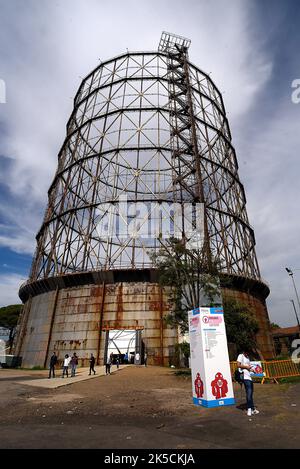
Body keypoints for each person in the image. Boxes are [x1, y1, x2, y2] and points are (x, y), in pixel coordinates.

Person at [237, 350, 259, 416]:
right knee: (249, 393)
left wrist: (252, 370)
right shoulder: (241, 356)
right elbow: (238, 365)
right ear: (244, 351)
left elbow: (249, 367)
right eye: (246, 352)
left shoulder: (248, 357)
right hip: (245, 377)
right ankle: (249, 409)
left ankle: (252, 409)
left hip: (249, 377)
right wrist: (246, 367)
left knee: (251, 393)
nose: (247, 354)